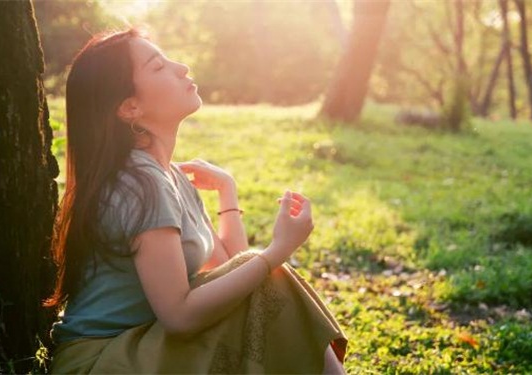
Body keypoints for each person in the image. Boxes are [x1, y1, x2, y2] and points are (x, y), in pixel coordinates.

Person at [44, 27, 348, 374]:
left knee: (270, 278)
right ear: (130, 107)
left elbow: (231, 274)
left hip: (142, 345)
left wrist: (227, 194)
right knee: (273, 273)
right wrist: (276, 251)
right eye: (158, 67)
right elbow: (180, 317)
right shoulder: (139, 185)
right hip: (103, 361)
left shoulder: (167, 177)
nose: (182, 67)